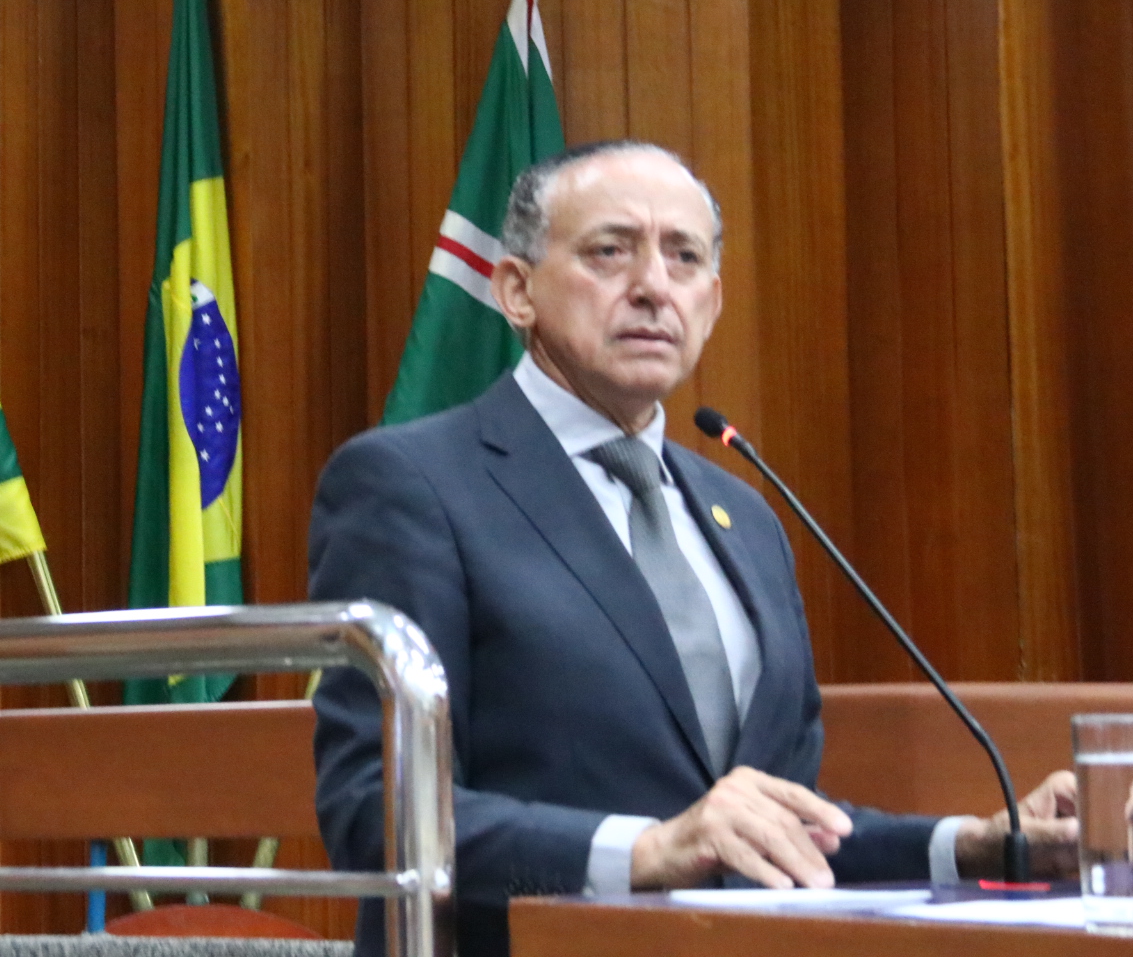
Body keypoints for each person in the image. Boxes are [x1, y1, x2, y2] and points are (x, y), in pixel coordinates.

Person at [308, 140, 1079, 957]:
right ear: (516, 291)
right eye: (610, 251)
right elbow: (373, 810)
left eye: (684, 258)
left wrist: (974, 845)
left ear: (711, 303)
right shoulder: (412, 484)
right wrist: (646, 851)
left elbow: (772, 828)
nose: (653, 286)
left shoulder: (745, 516)